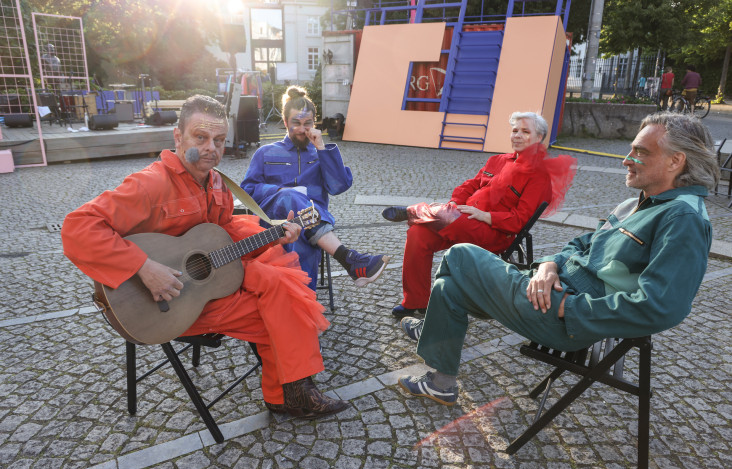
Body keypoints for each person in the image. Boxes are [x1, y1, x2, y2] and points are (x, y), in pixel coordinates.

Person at [397, 112, 720, 406]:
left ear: (676, 161)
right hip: (550, 290)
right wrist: (549, 266)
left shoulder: (683, 219)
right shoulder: (638, 203)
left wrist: (569, 307)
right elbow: (581, 242)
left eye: (641, 152)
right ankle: (442, 382)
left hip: (564, 318)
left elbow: (662, 307)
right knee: (449, 289)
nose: (626, 159)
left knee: (460, 255)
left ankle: (432, 333)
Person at [62, 95, 348, 419]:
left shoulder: (216, 183)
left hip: (212, 283)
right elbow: (77, 227)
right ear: (177, 137)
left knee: (282, 285)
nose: (211, 147)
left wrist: (274, 234)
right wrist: (143, 267)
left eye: (220, 140)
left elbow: (226, 233)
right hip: (172, 302)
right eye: (201, 137)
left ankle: (288, 392)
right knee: (288, 308)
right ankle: (288, 393)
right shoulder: (151, 184)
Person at [381, 112, 576, 318]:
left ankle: (413, 211)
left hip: (494, 232)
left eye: (525, 131)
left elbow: (519, 220)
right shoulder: (497, 160)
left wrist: (484, 216)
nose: (517, 135)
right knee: (418, 232)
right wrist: (455, 204)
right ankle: (415, 301)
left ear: (539, 139)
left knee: (445, 219)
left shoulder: (539, 175)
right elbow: (470, 185)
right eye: (515, 130)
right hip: (462, 219)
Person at [241, 85, 389, 290]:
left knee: (302, 237)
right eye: (296, 123)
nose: (302, 129)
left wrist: (322, 148)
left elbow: (339, 186)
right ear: (285, 123)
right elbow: (247, 190)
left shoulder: (320, 154)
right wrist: (280, 193)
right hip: (273, 224)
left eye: (307, 123)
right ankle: (347, 259)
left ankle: (301, 305)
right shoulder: (265, 153)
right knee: (290, 198)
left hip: (310, 226)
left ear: (314, 124)